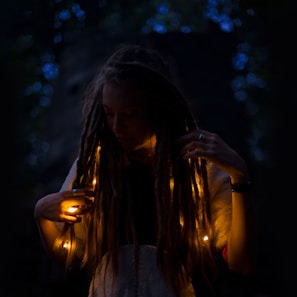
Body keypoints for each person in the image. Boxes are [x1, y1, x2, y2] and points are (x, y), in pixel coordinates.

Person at [34, 43, 258, 297]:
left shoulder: (197, 168)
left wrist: (239, 177)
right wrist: (42, 214)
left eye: (130, 114)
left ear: (159, 107)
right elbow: (69, 256)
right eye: (109, 113)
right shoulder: (94, 167)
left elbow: (242, 263)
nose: (117, 126)